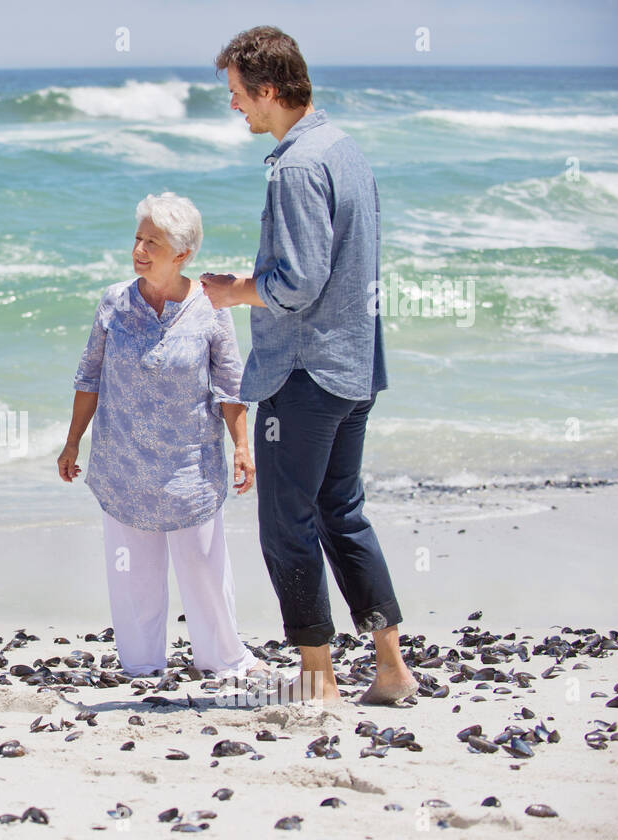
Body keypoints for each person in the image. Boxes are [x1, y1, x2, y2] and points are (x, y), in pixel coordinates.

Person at [200, 26, 417, 705]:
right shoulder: (344, 150)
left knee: (285, 522)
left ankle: (319, 678)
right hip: (353, 367)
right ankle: (389, 667)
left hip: (306, 373)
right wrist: (255, 280)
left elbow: (297, 282)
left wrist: (237, 291)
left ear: (268, 91)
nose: (235, 107)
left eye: (238, 94)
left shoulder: (295, 165)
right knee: (341, 514)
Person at [59, 193, 266, 681]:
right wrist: (72, 442)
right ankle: (141, 664)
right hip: (123, 461)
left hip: (189, 464)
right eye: (138, 239)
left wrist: (242, 446)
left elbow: (230, 386)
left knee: (203, 569)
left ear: (183, 252)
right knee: (133, 575)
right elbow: (88, 377)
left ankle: (223, 659)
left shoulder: (211, 305)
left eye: (153, 241)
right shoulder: (113, 301)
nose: (140, 249)